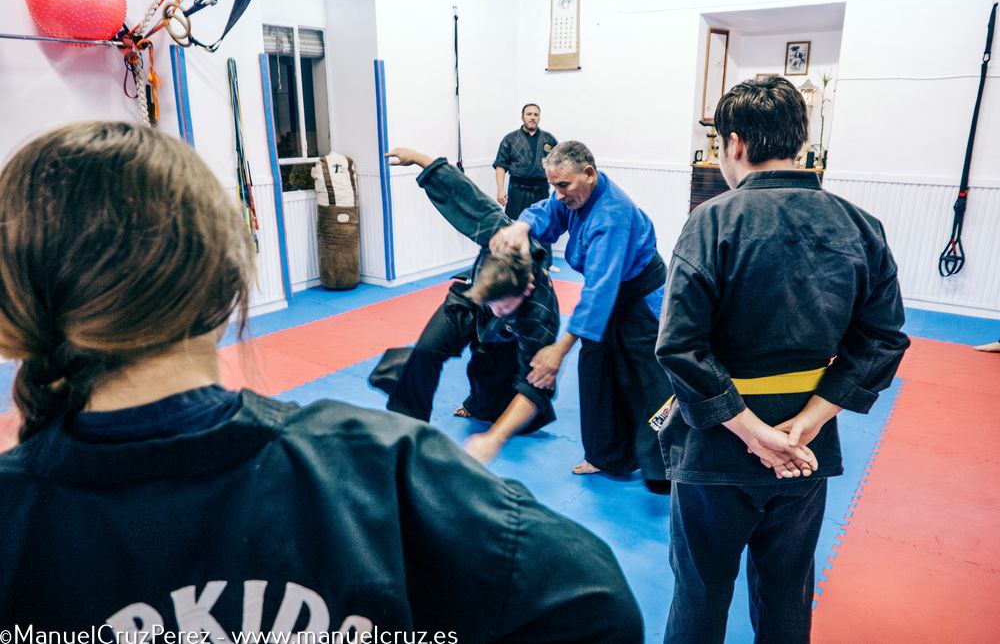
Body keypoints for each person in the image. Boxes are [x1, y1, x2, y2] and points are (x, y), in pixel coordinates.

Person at [0, 121, 645, 642]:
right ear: (228, 287)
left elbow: (560, 354)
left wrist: (503, 426)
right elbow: (595, 607)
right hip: (452, 375)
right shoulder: (377, 470)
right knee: (425, 360)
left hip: (589, 325)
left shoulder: (538, 306)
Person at [654, 76, 910, 643]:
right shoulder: (860, 226)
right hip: (804, 450)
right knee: (786, 591)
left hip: (717, 447)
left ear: (735, 143)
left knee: (700, 590)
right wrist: (808, 423)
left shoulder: (712, 221)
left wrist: (750, 434)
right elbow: (884, 339)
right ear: (800, 140)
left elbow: (678, 346)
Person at [490, 141, 671, 494]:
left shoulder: (611, 216)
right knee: (595, 369)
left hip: (639, 293)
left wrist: (559, 349)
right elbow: (547, 212)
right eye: (553, 185)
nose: (558, 194)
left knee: (647, 376)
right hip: (609, 288)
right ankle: (607, 455)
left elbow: (599, 293)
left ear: (589, 173)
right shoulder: (575, 196)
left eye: (564, 186)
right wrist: (522, 226)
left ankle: (664, 468)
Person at [370, 147, 560, 464]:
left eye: (504, 307)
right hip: (472, 298)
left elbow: (536, 383)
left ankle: (481, 403)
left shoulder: (539, 315)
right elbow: (462, 193)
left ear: (526, 289)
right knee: (426, 351)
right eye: (497, 306)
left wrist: (494, 438)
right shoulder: (498, 232)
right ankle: (405, 431)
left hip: (508, 332)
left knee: (493, 383)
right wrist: (418, 157)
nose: (499, 310)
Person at [494, 103, 558, 264]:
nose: (532, 117)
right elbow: (501, 165)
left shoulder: (549, 139)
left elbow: (559, 164)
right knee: (515, 224)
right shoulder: (510, 139)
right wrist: (500, 190)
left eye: (536, 114)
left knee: (543, 223)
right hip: (518, 188)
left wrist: (559, 188)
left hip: (541, 189)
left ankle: (544, 262)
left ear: (539, 117)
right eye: (529, 114)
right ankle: (514, 260)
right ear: (522, 117)